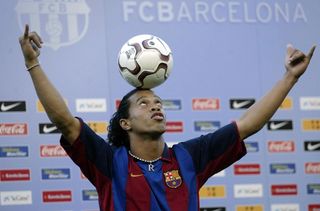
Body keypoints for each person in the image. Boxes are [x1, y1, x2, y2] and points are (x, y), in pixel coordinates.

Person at [19, 24, 315, 211]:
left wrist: (289, 78)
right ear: (126, 123)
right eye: (144, 104)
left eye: (158, 102)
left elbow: (248, 124)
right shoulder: (108, 163)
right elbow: (65, 121)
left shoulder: (190, 157)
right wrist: (33, 64)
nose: (156, 107)